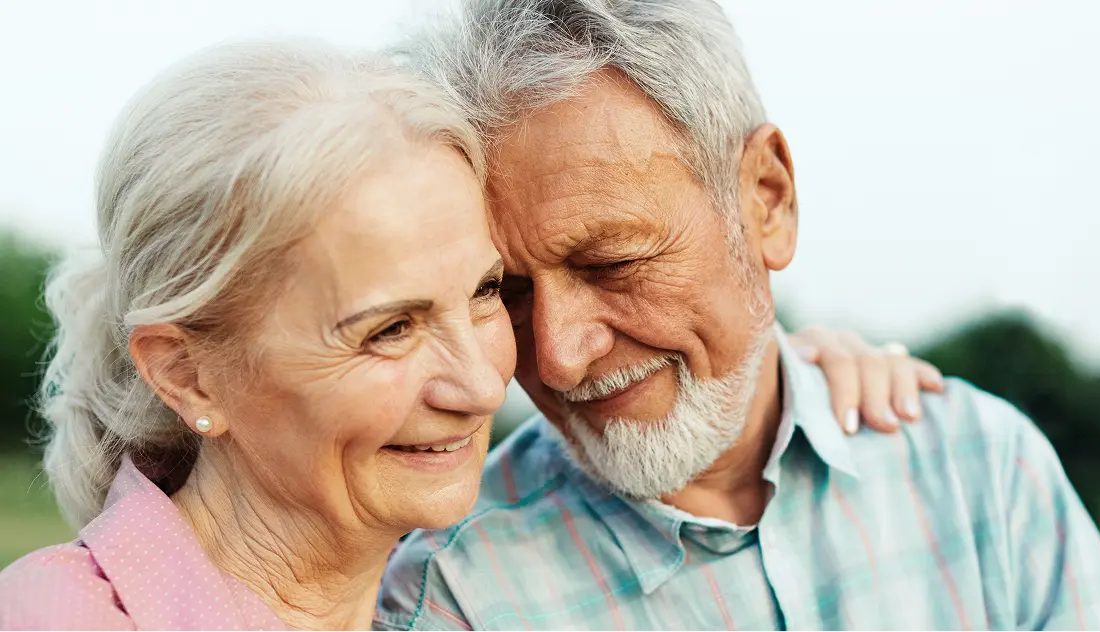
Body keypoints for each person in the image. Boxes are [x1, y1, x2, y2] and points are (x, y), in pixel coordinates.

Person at [0, 39, 935, 632]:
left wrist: (781, 374)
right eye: (390, 330)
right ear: (188, 375)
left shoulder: (441, 594)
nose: (485, 386)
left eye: (488, 292)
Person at [379, 1, 1100, 630]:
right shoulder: (452, 596)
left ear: (767, 200)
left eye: (611, 264)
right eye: (506, 292)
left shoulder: (979, 467)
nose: (557, 357)